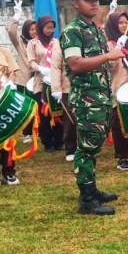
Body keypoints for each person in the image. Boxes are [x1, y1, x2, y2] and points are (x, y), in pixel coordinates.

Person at [59, 0, 124, 215]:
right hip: (87, 99)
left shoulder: (96, 29)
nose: (94, 3)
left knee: (94, 146)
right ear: (75, 3)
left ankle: (92, 189)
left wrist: (110, 62)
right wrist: (108, 55)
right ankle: (87, 199)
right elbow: (75, 64)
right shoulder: (73, 31)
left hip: (101, 96)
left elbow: (99, 63)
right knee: (85, 148)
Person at [104, 11, 128, 171]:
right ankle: (122, 157)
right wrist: (116, 51)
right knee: (119, 124)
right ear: (113, 25)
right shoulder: (109, 44)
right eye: (120, 23)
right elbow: (109, 67)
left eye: (126, 22)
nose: (123, 25)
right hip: (117, 88)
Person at [0, 19, 22, 186]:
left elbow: (13, 72)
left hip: (3, 96)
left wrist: (9, 82)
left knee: (7, 135)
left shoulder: (3, 52)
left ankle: (9, 171)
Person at [26, 15, 63, 151]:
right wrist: (41, 68)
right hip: (41, 83)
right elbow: (30, 61)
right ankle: (48, 142)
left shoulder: (56, 42)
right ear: (41, 28)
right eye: (47, 28)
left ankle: (59, 140)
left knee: (58, 112)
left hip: (55, 82)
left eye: (52, 28)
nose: (50, 30)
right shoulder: (33, 43)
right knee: (44, 114)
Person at [49, 27, 77, 162]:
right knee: (70, 120)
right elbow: (55, 66)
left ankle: (86, 146)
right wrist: (56, 88)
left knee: (85, 118)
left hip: (84, 86)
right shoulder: (59, 45)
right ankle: (70, 148)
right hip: (67, 87)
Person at [7, 16, 36, 143]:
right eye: (31, 29)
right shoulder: (20, 42)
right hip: (24, 80)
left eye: (36, 29)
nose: (34, 32)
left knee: (40, 106)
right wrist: (16, 18)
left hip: (38, 79)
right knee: (25, 107)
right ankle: (27, 133)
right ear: (25, 30)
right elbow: (11, 32)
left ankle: (41, 131)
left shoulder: (40, 42)